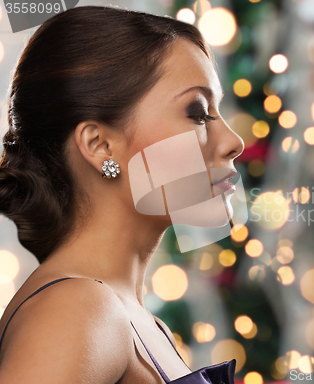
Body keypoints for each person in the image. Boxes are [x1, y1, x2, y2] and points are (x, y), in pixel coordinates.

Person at [0, 5, 243, 383]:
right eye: (197, 112)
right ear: (100, 146)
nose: (233, 141)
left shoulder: (135, 319)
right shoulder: (77, 308)